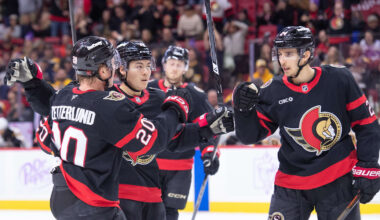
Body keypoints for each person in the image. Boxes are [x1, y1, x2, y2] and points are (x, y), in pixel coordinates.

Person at [5, 36, 233, 219]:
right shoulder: (111, 104)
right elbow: (154, 139)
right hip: (112, 200)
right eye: (137, 66)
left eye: (147, 66)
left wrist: (207, 129)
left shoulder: (72, 95)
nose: (146, 72)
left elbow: (52, 114)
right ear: (118, 69)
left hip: (148, 196)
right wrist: (176, 109)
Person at [233, 26, 380, 220]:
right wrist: (242, 110)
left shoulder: (339, 79)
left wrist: (368, 165)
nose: (282, 60)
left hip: (337, 179)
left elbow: (367, 125)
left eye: (289, 54)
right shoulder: (272, 91)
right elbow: (249, 136)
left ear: (306, 54)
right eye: (280, 54)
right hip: (291, 184)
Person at [149, 45, 220, 220]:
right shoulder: (149, 90)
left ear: (185, 67)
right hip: (150, 164)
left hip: (180, 167)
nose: (175, 68)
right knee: (149, 211)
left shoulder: (196, 95)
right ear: (164, 65)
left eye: (179, 64)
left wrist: (210, 153)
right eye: (172, 63)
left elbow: (208, 127)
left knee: (171, 212)